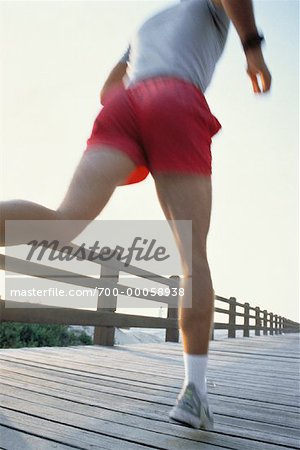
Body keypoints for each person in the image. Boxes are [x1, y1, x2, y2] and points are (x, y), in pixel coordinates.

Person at [0, 0, 271, 429]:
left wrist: (137, 131)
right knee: (191, 256)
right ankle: (194, 395)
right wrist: (252, 47)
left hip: (122, 111)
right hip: (175, 97)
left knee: (65, 220)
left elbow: (108, 90)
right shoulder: (206, 7)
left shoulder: (147, 24)